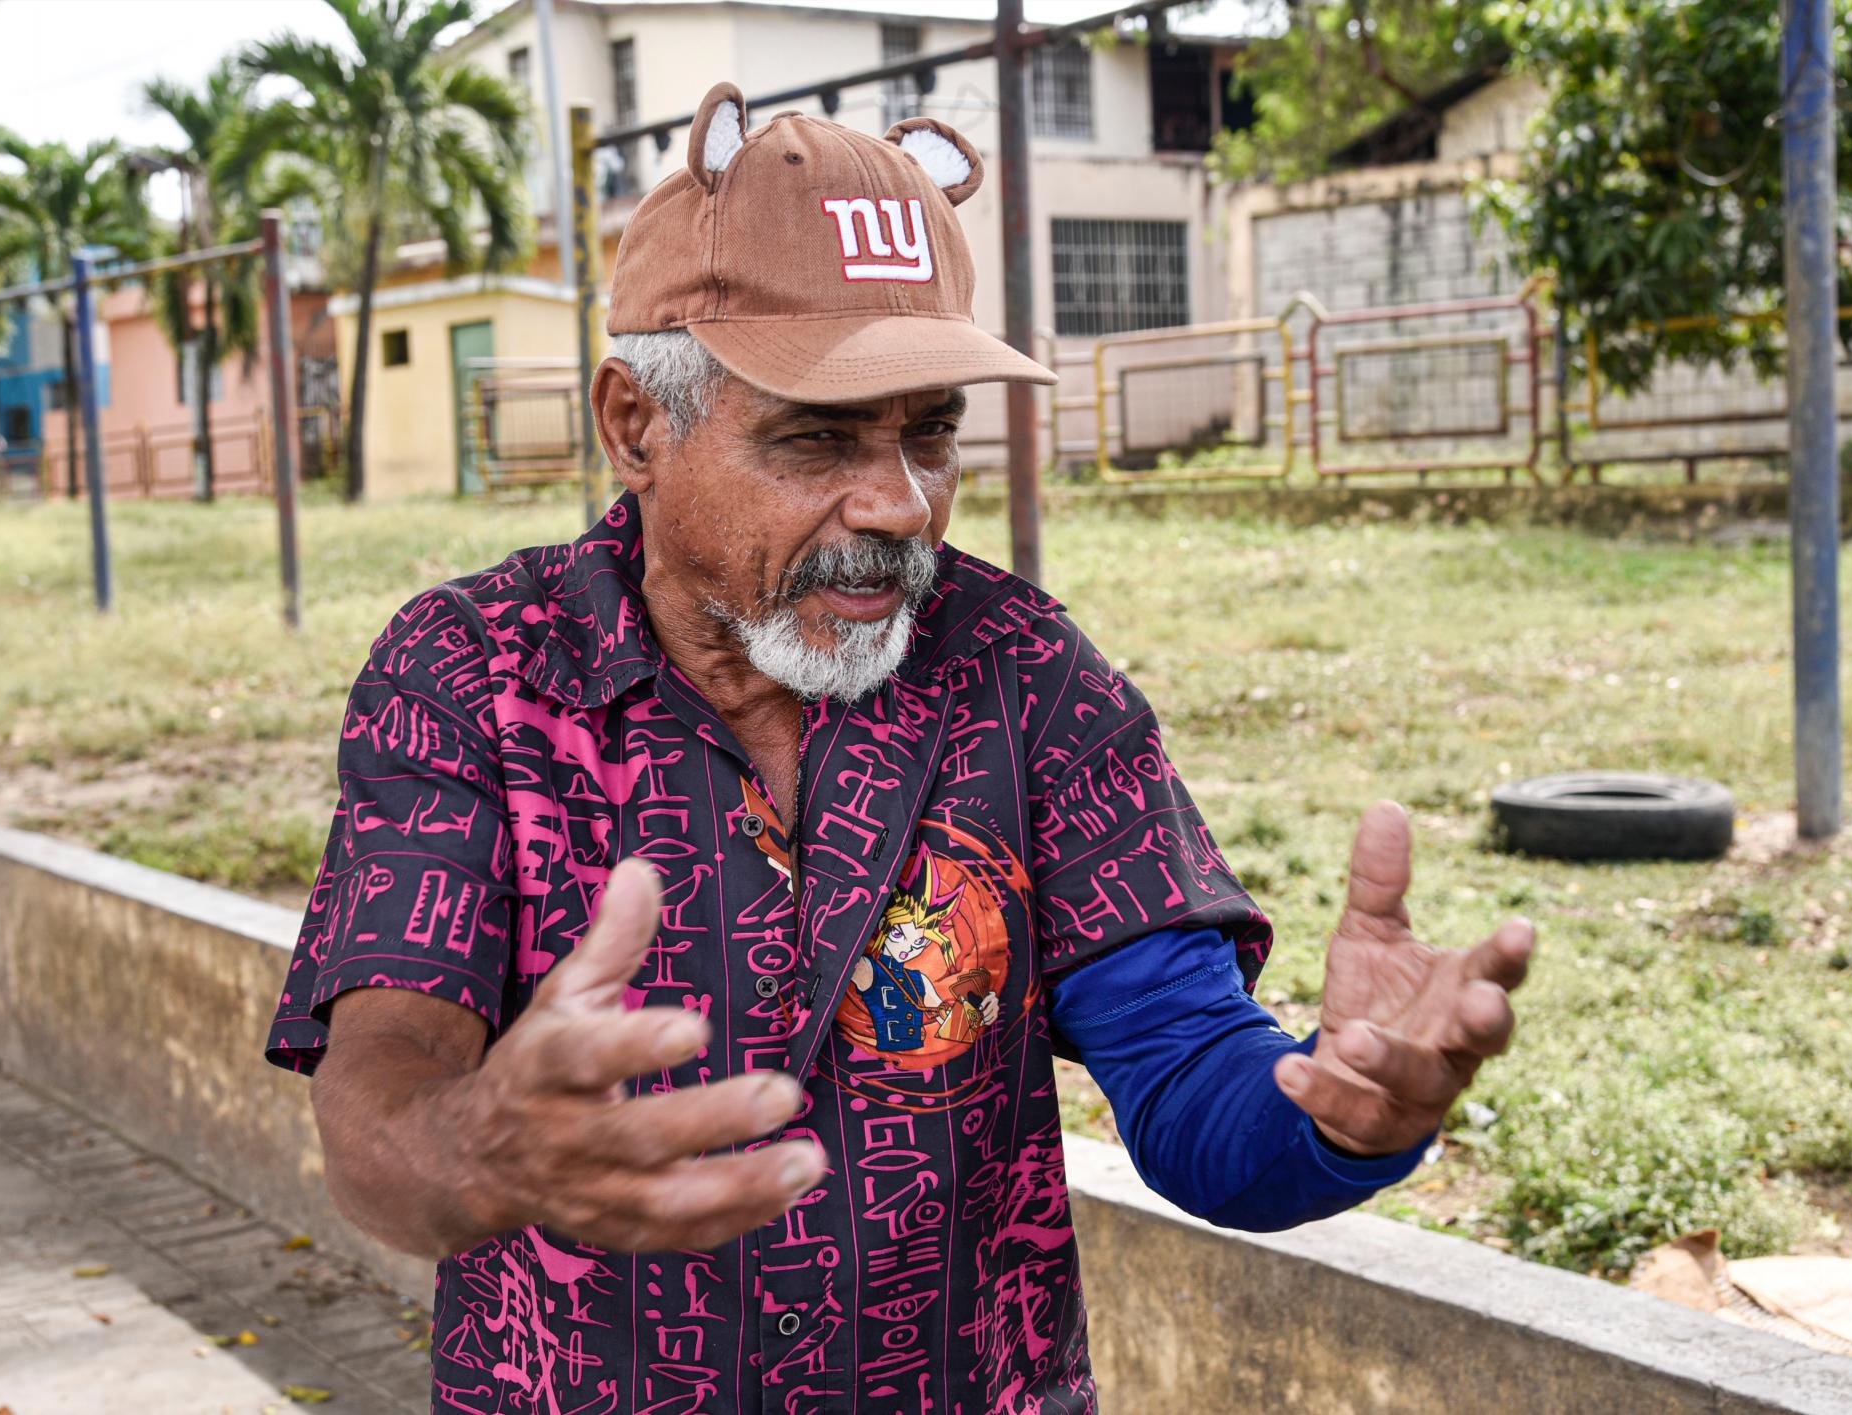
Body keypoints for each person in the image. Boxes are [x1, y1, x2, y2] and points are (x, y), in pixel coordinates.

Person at [266, 83, 1535, 1415]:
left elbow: (1190, 1079)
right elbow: (380, 1110)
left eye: (931, 429)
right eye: (817, 438)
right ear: (639, 424)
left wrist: (1330, 1117)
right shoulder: (473, 672)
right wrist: (479, 1149)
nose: (899, 503)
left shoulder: (1022, 673)